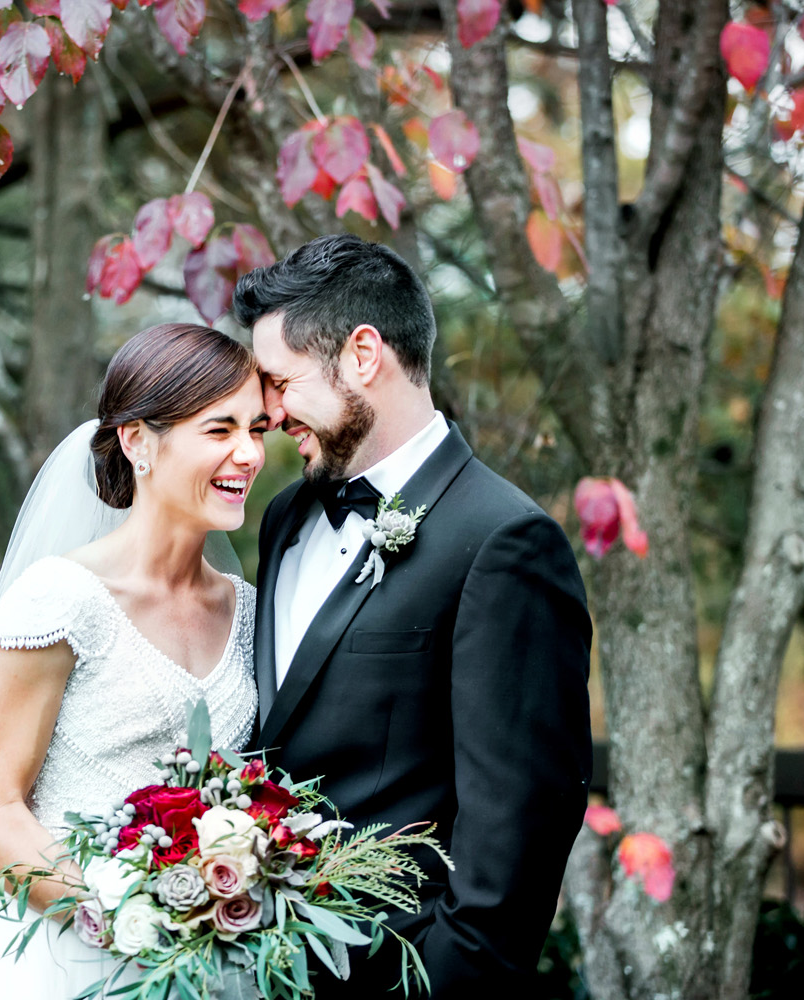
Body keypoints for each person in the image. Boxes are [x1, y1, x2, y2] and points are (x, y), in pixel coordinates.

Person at [232, 234, 593, 998]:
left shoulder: (505, 542)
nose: (267, 411)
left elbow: (517, 847)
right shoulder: (286, 518)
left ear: (363, 354)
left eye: (279, 381)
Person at [0, 323, 269, 1000]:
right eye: (220, 430)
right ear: (138, 440)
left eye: (258, 429)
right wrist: (127, 917)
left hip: (202, 969)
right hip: (57, 962)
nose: (248, 454)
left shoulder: (250, 611)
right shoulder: (61, 599)